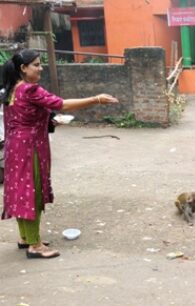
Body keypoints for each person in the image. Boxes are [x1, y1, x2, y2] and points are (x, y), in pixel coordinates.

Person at [0, 49, 119, 259]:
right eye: (36, 64)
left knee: (21, 192)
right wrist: (96, 99)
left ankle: (26, 238)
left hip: (14, 147)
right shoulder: (29, 89)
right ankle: (35, 246)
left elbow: (23, 116)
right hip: (29, 148)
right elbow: (61, 104)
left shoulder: (11, 90)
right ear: (23, 68)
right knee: (32, 193)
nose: (40, 68)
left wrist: (48, 121)